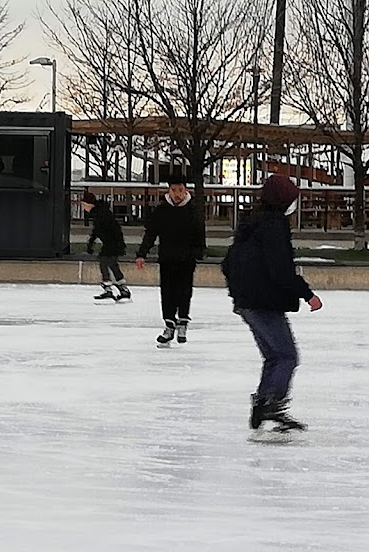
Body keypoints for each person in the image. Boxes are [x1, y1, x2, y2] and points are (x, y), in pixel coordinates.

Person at [221, 173, 323, 432]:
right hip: (262, 301)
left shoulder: (251, 224)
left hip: (247, 301)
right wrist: (306, 293)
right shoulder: (273, 226)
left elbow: (227, 263)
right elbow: (280, 270)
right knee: (287, 355)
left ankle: (263, 404)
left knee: (273, 356)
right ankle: (272, 404)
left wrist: (239, 292)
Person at [135, 175, 204, 347]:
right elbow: (151, 234)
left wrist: (198, 253)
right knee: (167, 292)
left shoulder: (193, 211)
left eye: (180, 190)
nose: (177, 194)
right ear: (169, 191)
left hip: (187, 259)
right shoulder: (161, 211)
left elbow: (200, 235)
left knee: (184, 290)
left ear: (185, 190)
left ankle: (182, 322)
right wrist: (142, 253)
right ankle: (169, 325)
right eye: (174, 190)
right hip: (167, 258)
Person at [82, 190, 131, 303]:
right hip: (113, 242)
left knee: (104, 261)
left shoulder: (101, 213)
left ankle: (109, 289)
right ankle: (123, 290)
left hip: (113, 242)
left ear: (90, 204)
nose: (84, 208)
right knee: (112, 264)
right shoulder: (100, 212)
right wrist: (91, 243)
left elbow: (100, 230)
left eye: (84, 205)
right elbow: (97, 231)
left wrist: (92, 242)